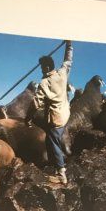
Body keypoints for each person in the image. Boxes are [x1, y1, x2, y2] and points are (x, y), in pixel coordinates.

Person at [26, 40, 73, 184]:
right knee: (49, 140)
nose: (41, 70)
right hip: (66, 113)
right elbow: (68, 60)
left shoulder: (45, 83)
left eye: (41, 67)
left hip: (56, 119)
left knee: (54, 143)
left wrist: (28, 118)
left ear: (46, 67)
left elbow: (35, 103)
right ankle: (56, 166)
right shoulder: (62, 73)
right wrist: (69, 45)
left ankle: (61, 174)